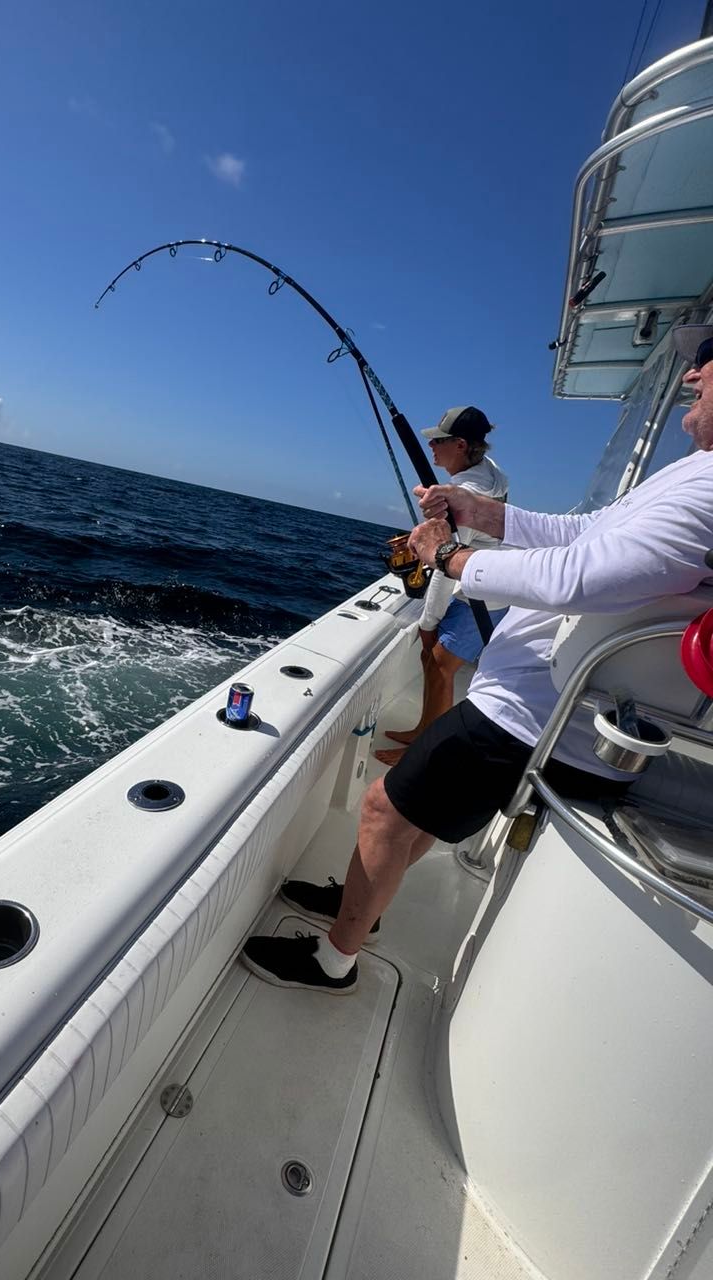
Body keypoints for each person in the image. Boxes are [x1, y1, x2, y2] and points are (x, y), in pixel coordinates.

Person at [242, 322, 713, 994]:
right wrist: (481, 514)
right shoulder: (695, 471)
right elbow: (586, 533)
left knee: (381, 808)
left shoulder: (709, 487)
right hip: (538, 703)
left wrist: (448, 556)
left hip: (539, 718)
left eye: (705, 362)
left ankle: (335, 958)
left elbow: (584, 577)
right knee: (414, 813)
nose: (691, 376)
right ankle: (361, 905)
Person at [376, 405, 509, 768]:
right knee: (429, 659)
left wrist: (427, 623)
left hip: (481, 595)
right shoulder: (488, 473)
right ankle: (422, 728)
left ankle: (425, 753)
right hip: (481, 585)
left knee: (439, 663)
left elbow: (445, 564)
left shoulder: (463, 494)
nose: (432, 448)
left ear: (462, 445)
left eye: (439, 441)